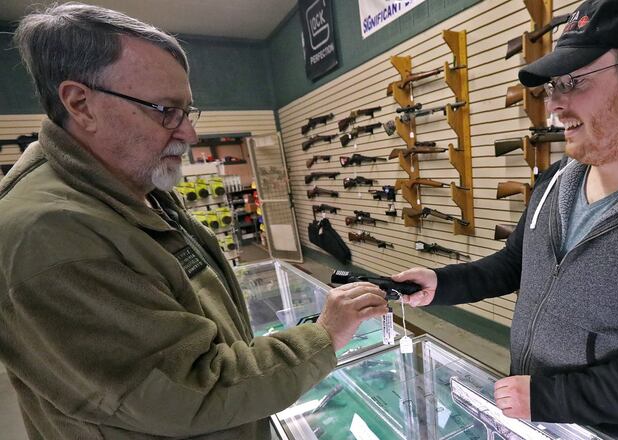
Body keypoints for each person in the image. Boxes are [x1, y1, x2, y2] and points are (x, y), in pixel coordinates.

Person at [0, 3, 387, 439]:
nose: (188, 134)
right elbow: (190, 390)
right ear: (80, 104)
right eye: (164, 110)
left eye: (186, 111)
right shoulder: (50, 233)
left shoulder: (132, 189)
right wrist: (323, 336)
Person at [393, 0, 618, 438]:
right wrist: (444, 283)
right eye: (553, 86)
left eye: (573, 83)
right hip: (527, 409)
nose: (554, 105)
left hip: (607, 429)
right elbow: (517, 263)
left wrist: (552, 398)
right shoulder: (558, 180)